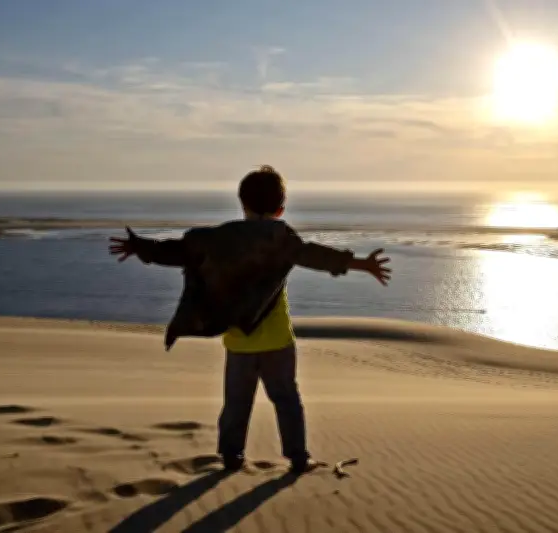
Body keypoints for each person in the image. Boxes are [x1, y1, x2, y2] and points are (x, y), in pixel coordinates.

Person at [108, 165, 391, 474]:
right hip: (278, 342)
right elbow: (315, 256)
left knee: (236, 404)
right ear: (281, 208)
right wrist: (363, 264)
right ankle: (298, 459)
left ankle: (231, 457)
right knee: (286, 400)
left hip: (239, 342)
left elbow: (180, 251)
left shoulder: (223, 239)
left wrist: (139, 247)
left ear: (242, 203)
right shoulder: (280, 239)